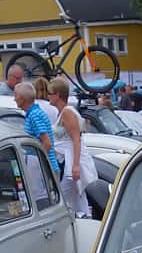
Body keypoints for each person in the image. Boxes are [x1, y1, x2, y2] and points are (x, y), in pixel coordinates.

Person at [48, 76, 91, 217]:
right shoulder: (62, 112)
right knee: (75, 198)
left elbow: (76, 139)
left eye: (50, 93)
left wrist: (76, 165)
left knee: (64, 198)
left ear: (58, 95)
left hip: (70, 162)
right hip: (66, 160)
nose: (48, 96)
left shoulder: (67, 112)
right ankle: (82, 217)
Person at [16, 80, 53, 161]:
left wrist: (40, 163)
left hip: (43, 165)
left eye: (16, 95)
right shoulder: (33, 113)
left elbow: (47, 143)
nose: (14, 99)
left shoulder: (34, 115)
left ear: (22, 99)